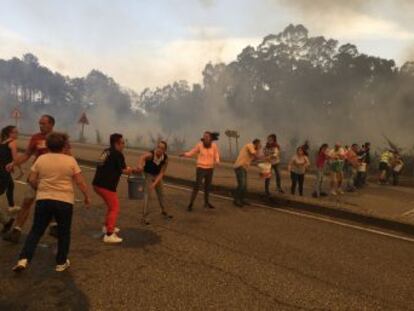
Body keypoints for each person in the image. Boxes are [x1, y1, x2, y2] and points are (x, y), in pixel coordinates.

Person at [12, 132, 90, 272]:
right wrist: (86, 196)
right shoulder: (70, 160)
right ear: (64, 146)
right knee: (64, 232)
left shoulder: (41, 159)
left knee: (36, 231)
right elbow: (80, 182)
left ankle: (23, 259)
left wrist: (41, 187)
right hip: (64, 201)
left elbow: (31, 179)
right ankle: (61, 262)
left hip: (44, 199)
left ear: (47, 145)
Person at [3, 115, 64, 243]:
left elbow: (68, 156)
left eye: (43, 123)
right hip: (36, 174)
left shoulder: (60, 138)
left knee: (51, 202)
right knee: (27, 202)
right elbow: (26, 154)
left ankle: (54, 227)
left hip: (52, 176)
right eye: (39, 123)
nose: (40, 126)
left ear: (51, 124)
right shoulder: (36, 137)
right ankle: (16, 231)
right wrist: (14, 163)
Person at [92, 133, 132, 244]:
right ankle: (109, 234)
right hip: (106, 186)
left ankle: (107, 227)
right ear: (117, 143)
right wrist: (133, 170)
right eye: (123, 143)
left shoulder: (106, 151)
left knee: (111, 206)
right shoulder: (117, 154)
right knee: (115, 208)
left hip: (97, 183)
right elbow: (124, 170)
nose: (124, 145)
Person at [181, 132, 220, 211]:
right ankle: (191, 204)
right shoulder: (200, 145)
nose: (205, 138)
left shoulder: (214, 146)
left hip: (210, 169)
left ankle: (206, 203)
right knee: (197, 186)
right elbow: (192, 152)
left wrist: (217, 161)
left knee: (207, 187)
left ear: (210, 138)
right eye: (204, 136)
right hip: (201, 168)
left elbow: (216, 154)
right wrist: (185, 154)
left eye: (207, 136)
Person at [137, 140, 171, 224]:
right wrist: (140, 165)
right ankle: (144, 217)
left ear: (164, 150)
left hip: (156, 175)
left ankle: (164, 211)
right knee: (147, 196)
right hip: (148, 174)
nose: (159, 149)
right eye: (158, 147)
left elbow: (162, 173)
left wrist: (154, 183)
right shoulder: (151, 155)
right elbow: (142, 157)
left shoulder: (165, 158)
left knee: (161, 194)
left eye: (162, 148)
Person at [233, 139, 261, 207]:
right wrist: (259, 149)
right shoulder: (250, 145)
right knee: (242, 185)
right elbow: (255, 155)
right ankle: (236, 200)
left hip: (244, 168)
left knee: (244, 186)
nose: (260, 145)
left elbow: (255, 159)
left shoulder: (253, 149)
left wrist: (258, 151)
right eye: (259, 144)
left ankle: (242, 199)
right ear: (256, 143)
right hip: (240, 166)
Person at [0, 125, 21, 214]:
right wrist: (20, 169)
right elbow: (16, 159)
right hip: (5, 171)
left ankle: (11, 206)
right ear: (10, 133)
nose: (17, 134)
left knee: (11, 186)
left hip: (2, 169)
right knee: (1, 190)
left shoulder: (2, 142)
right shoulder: (12, 143)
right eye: (15, 132)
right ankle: (11, 207)